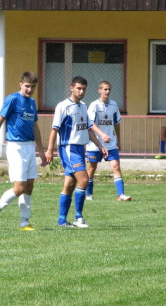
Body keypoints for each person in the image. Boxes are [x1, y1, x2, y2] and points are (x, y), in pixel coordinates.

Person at [0, 71, 48, 231]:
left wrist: (41, 151)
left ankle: (25, 223)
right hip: (15, 147)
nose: (29, 90)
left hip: (29, 147)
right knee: (19, 187)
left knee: (29, 185)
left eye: (32, 87)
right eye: (27, 86)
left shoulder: (32, 102)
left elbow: (35, 127)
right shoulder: (12, 99)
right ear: (21, 84)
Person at [45, 76, 109, 228]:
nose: (81, 91)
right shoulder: (63, 106)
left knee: (70, 183)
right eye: (78, 88)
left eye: (84, 89)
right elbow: (54, 130)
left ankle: (62, 220)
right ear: (71, 88)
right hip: (68, 148)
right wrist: (49, 150)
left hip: (80, 148)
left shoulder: (83, 106)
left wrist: (100, 145)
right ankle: (78, 218)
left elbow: (88, 128)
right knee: (84, 180)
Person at [85, 81, 132, 202]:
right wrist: (101, 134)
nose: (107, 91)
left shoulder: (114, 105)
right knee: (92, 168)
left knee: (116, 166)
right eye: (105, 89)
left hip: (110, 143)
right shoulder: (94, 105)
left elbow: (116, 123)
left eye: (109, 89)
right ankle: (88, 194)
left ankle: (120, 194)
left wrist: (119, 140)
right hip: (95, 143)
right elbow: (90, 124)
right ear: (99, 90)